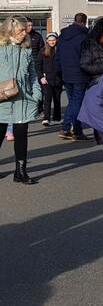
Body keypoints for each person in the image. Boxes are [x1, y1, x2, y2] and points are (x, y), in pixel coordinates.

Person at [0, 15, 42, 184]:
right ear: (11, 29)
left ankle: (20, 171)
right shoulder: (1, 47)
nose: (25, 33)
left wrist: (37, 94)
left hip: (23, 100)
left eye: (26, 29)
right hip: (2, 99)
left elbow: (32, 74)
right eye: (21, 30)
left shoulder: (26, 49)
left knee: (22, 135)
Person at [56, 13, 92, 141]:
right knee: (76, 103)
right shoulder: (84, 36)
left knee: (73, 102)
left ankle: (76, 131)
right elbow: (87, 57)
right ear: (85, 22)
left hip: (66, 73)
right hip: (80, 73)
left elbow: (58, 56)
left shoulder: (62, 36)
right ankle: (66, 128)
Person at [37, 32, 62, 127]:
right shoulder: (43, 51)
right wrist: (41, 77)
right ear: (47, 41)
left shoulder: (59, 50)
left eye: (54, 40)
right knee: (47, 99)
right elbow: (38, 65)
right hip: (46, 79)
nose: (52, 42)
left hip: (58, 79)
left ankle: (57, 117)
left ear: (56, 40)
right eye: (50, 40)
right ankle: (46, 118)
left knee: (57, 99)